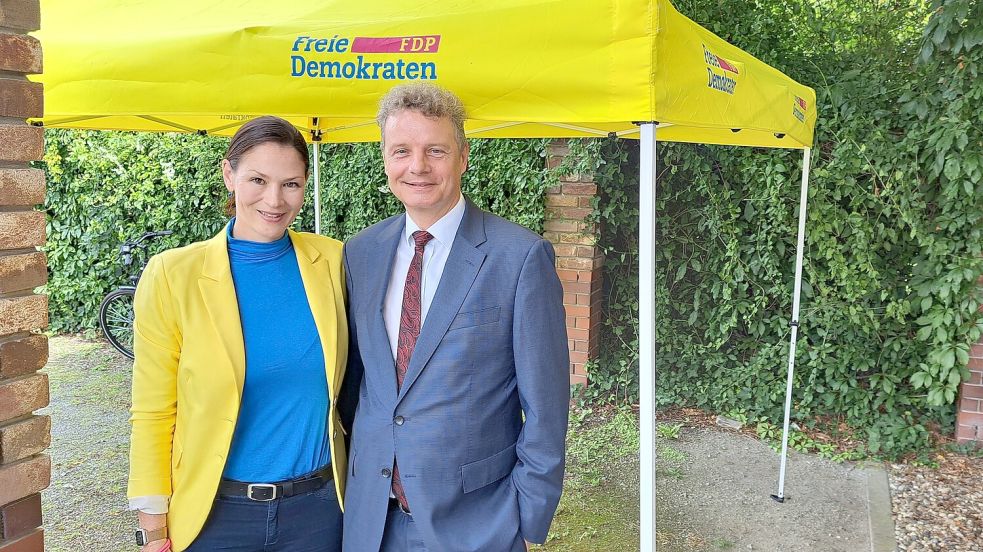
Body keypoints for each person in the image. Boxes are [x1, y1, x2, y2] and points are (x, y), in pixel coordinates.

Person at [341, 84, 569, 552]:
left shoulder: (519, 258)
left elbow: (547, 406)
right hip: (371, 520)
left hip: (477, 522)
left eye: (436, 151)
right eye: (401, 150)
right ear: (385, 159)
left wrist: (528, 519)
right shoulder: (359, 252)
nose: (417, 166)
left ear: (463, 157)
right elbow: (357, 383)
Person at [127, 116, 349, 552]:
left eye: (291, 184)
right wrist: (152, 529)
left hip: (319, 514)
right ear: (228, 174)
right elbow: (153, 412)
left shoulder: (335, 261)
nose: (274, 199)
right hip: (215, 517)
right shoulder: (173, 275)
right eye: (258, 180)